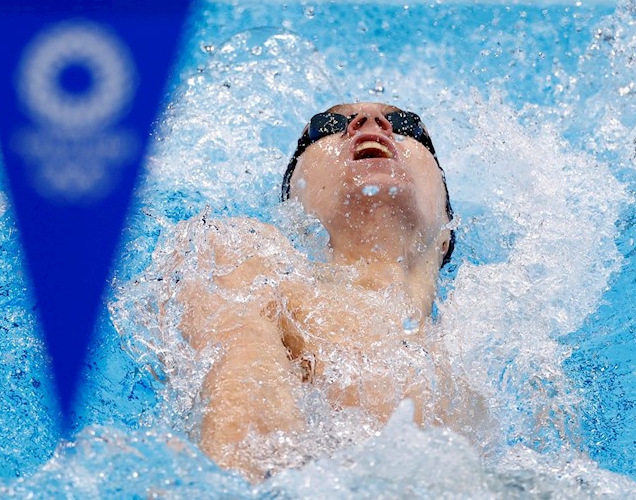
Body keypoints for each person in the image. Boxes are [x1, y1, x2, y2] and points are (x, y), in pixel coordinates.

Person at [155, 102, 465, 481]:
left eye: (406, 125)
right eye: (327, 125)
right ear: (294, 213)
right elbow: (241, 433)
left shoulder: (495, 341)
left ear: (447, 229)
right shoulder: (241, 260)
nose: (372, 123)